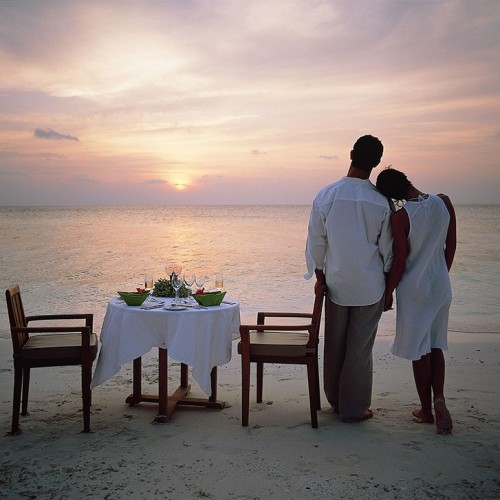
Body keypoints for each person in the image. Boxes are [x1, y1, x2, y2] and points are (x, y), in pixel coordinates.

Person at [305, 135, 393, 423]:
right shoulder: (381, 201)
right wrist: (390, 286)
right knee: (359, 348)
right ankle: (354, 410)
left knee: (335, 343)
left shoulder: (326, 194)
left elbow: (316, 242)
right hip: (370, 285)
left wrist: (320, 275)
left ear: (351, 154)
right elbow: (388, 250)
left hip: (337, 283)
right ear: (377, 163)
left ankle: (336, 402)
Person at [376, 167, 456, 434]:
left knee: (419, 349)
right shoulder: (443, 201)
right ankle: (439, 398)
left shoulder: (401, 217)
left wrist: (388, 293)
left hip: (414, 289)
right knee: (435, 345)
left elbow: (399, 261)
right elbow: (451, 245)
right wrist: (439, 274)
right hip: (441, 285)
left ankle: (425, 410)